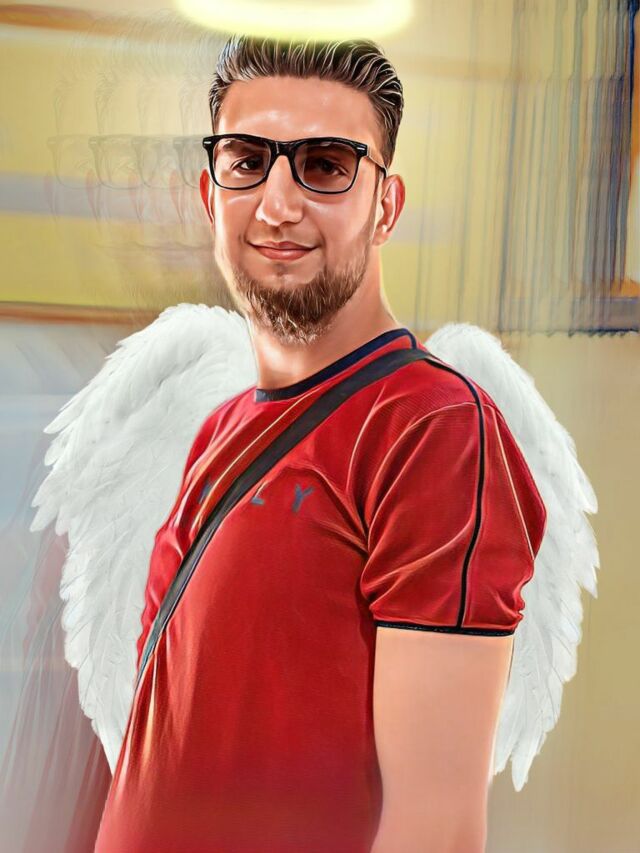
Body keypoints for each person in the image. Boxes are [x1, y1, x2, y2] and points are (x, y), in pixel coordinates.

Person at [94, 34, 547, 853]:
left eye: (326, 165)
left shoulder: (434, 429)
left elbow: (436, 829)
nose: (278, 205)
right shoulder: (218, 431)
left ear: (386, 206)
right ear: (210, 195)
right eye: (246, 161)